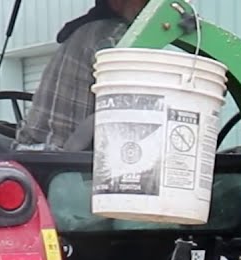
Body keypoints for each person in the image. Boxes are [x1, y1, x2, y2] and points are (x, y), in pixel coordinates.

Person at [16, 0, 148, 151]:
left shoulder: (83, 31)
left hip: (32, 149)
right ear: (116, 2)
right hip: (67, 162)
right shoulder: (117, 37)